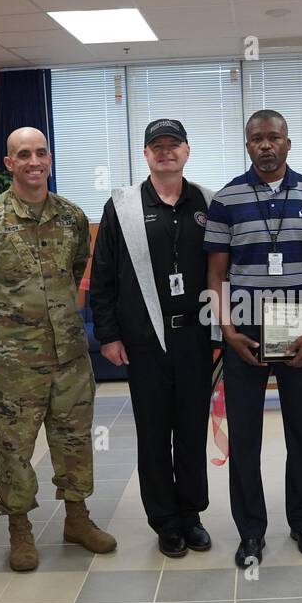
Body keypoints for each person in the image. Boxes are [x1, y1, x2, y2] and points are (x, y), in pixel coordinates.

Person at [0, 127, 116, 572]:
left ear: (50, 159)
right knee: (16, 448)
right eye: (22, 154)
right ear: (8, 163)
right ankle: (20, 530)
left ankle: (77, 519)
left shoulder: (71, 216)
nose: (33, 161)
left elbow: (75, 270)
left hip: (68, 355)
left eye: (41, 153)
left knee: (74, 441)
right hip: (17, 362)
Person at [204, 110, 302, 567]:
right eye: (257, 138)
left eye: (273, 137)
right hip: (244, 330)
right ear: (247, 145)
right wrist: (226, 334)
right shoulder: (226, 200)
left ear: (288, 141)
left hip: (297, 329)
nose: (266, 145)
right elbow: (216, 274)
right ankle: (251, 532)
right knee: (245, 436)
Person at [90, 119, 216, 557]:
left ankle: (192, 513)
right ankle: (165, 521)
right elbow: (103, 274)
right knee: (154, 433)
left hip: (195, 340)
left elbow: (224, 269)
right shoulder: (121, 204)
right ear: (145, 154)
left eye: (173, 145)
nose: (166, 152)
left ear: (186, 151)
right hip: (145, 344)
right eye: (156, 146)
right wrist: (107, 334)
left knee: (191, 431)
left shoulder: (207, 201)